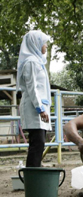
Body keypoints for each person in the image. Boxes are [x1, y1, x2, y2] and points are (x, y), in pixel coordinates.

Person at [16, 31, 52, 167]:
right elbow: (32, 88)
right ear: (35, 43)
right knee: (37, 144)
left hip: (38, 108)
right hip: (34, 108)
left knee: (38, 143)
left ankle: (34, 174)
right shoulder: (31, 62)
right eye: (44, 42)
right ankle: (32, 178)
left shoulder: (38, 62)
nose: (46, 45)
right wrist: (40, 109)